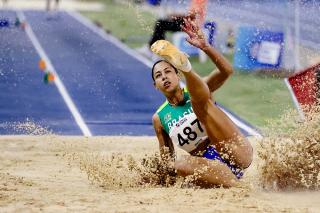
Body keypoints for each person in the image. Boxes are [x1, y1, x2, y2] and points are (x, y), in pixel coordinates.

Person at [150, 17, 253, 188]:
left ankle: (187, 68)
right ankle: (238, 187)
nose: (164, 77)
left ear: (178, 75)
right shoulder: (159, 118)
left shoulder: (200, 89)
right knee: (180, 163)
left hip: (233, 150)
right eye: (158, 76)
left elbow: (227, 71)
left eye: (168, 71)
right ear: (156, 86)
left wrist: (206, 47)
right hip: (210, 168)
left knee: (199, 101)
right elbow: (167, 159)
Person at [137, 0, 208, 58]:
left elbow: (192, 15)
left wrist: (175, 15)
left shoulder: (199, 1)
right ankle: (156, 48)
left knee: (161, 24)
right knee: (161, 23)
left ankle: (154, 48)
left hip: (191, 27)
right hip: (189, 24)